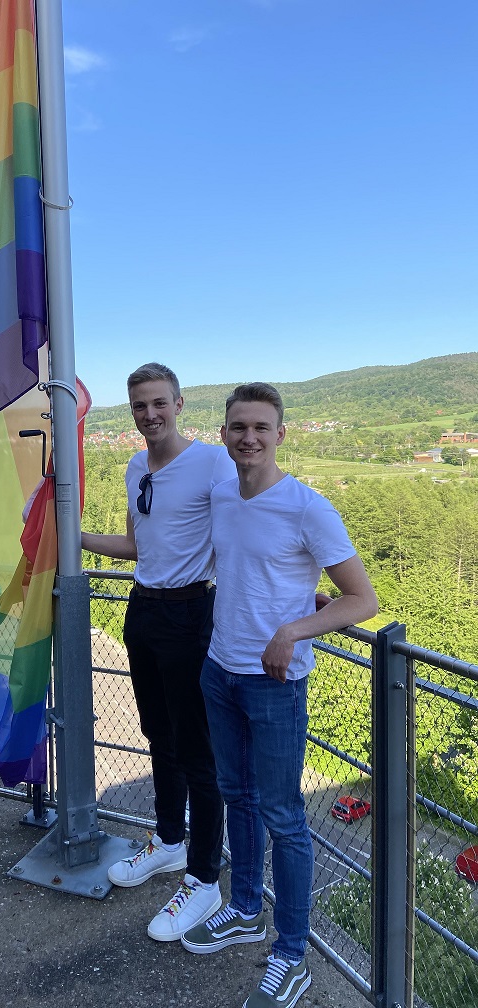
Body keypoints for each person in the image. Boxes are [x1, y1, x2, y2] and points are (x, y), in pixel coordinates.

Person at [180, 383, 378, 1008]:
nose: (249, 438)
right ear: (225, 434)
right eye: (238, 427)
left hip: (275, 682)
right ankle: (243, 908)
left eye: (261, 427)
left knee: (284, 817)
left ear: (280, 434)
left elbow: (362, 600)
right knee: (236, 796)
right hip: (219, 670)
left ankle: (292, 953)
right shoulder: (221, 496)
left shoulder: (308, 508)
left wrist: (294, 628)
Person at [82, 363, 236, 941]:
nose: (149, 415)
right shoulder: (133, 466)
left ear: (178, 404)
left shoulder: (212, 463)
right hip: (143, 609)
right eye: (139, 407)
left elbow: (245, 527)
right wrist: (69, 535)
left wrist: (292, 589)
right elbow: (134, 544)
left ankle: (203, 877)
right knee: (158, 737)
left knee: (198, 751)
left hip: (192, 612)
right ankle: (169, 841)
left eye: (158, 404)